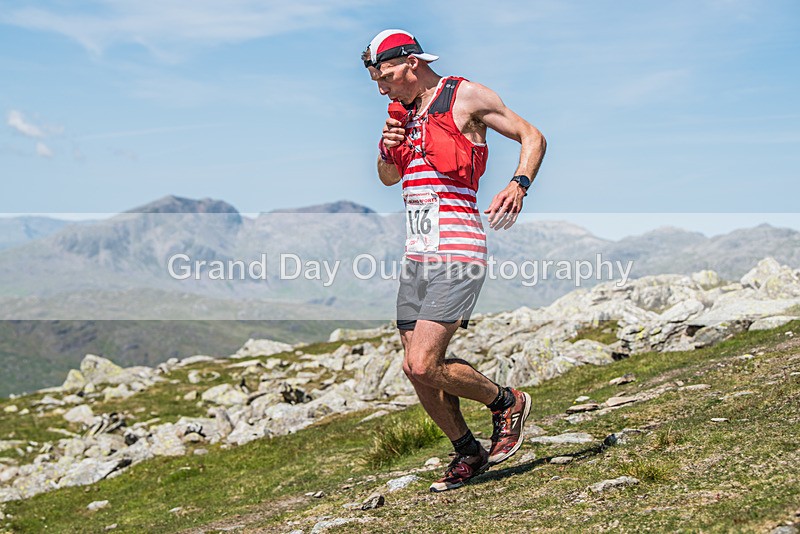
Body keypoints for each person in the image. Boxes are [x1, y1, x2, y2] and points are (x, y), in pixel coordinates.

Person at [362, 29, 547, 492]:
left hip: (458, 249)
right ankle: (467, 451)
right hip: (417, 255)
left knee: (423, 364)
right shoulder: (402, 112)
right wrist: (388, 146)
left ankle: (506, 402)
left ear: (410, 62)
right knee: (414, 366)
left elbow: (532, 135)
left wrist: (518, 184)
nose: (381, 87)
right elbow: (388, 178)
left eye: (384, 76)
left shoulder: (464, 95)